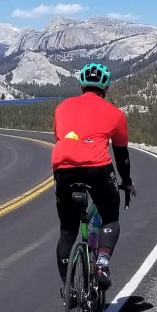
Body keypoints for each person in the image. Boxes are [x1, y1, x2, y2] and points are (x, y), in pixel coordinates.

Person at [51, 62, 136, 292]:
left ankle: (69, 290)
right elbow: (121, 154)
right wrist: (126, 182)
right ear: (106, 88)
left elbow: (60, 136)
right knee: (110, 218)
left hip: (63, 167)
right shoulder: (115, 114)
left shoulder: (62, 107)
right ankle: (102, 265)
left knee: (68, 231)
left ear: (81, 85)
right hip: (98, 167)